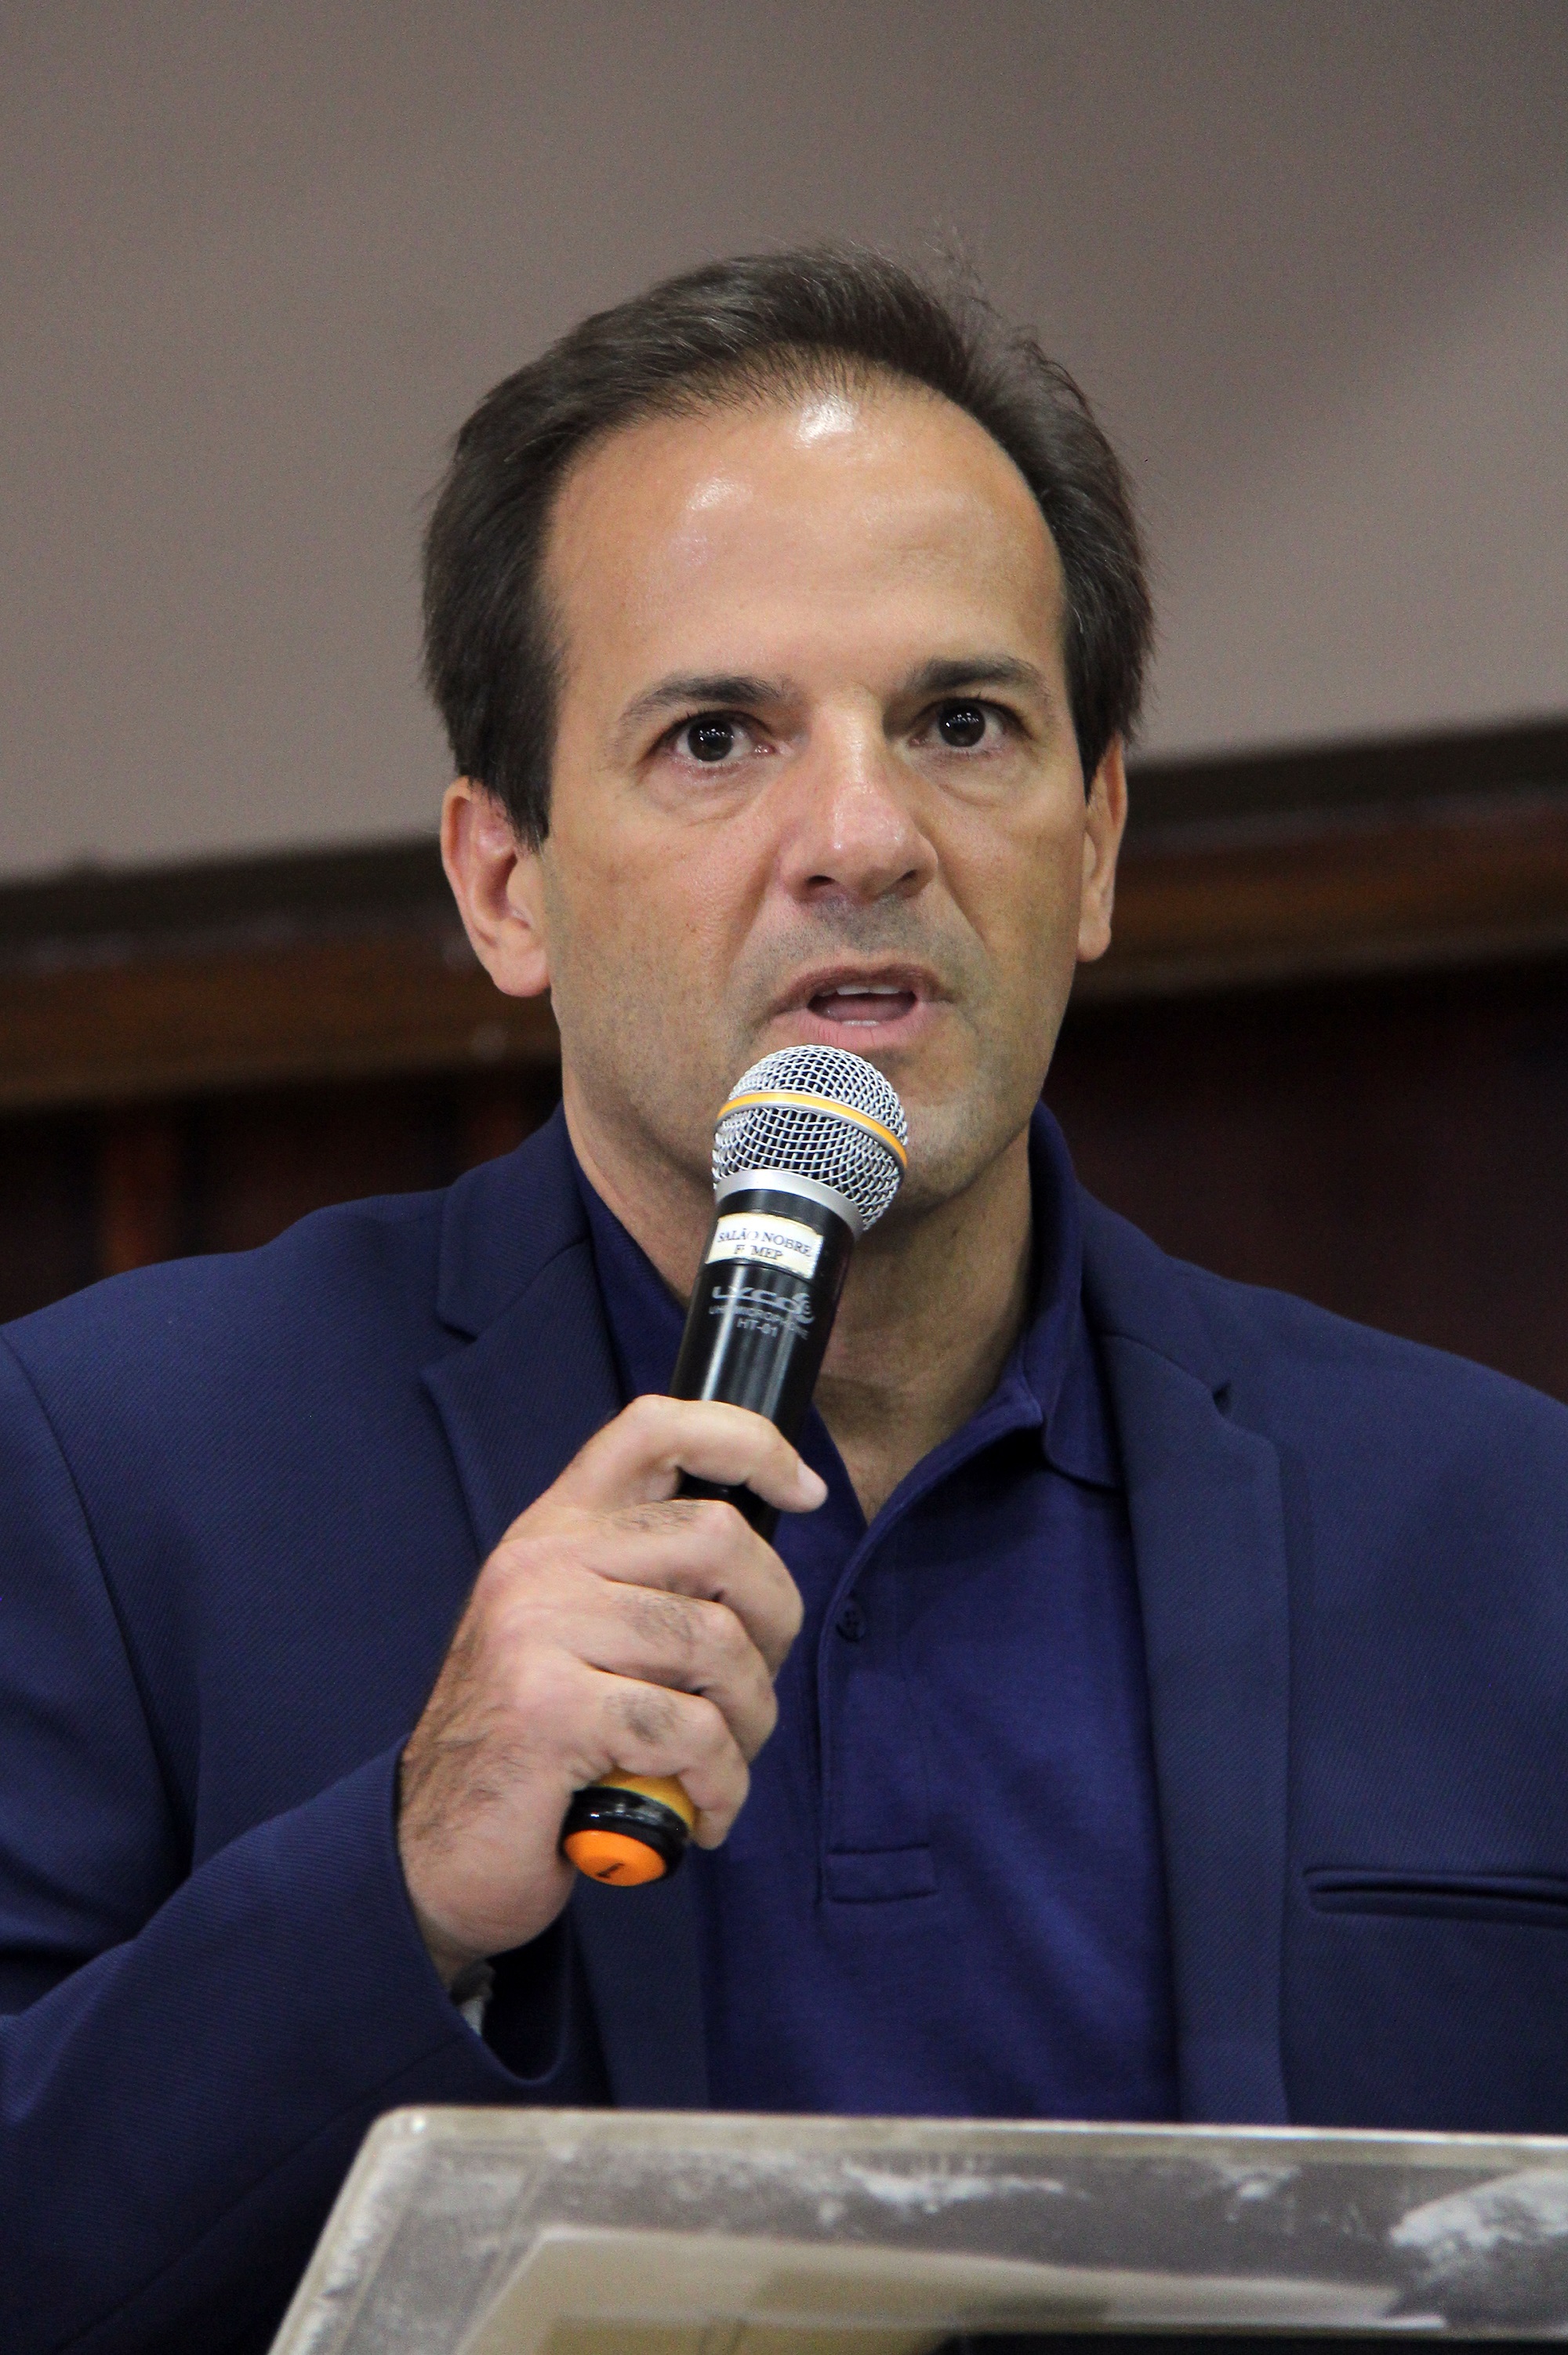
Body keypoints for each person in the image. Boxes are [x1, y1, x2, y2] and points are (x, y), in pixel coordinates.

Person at [4, 247, 1566, 2355]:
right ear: (504, 883)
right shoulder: (116, 1468)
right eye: (718, 736)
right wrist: (401, 1874)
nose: (862, 835)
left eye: (962, 724)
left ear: (1098, 844)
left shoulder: (1501, 1523)